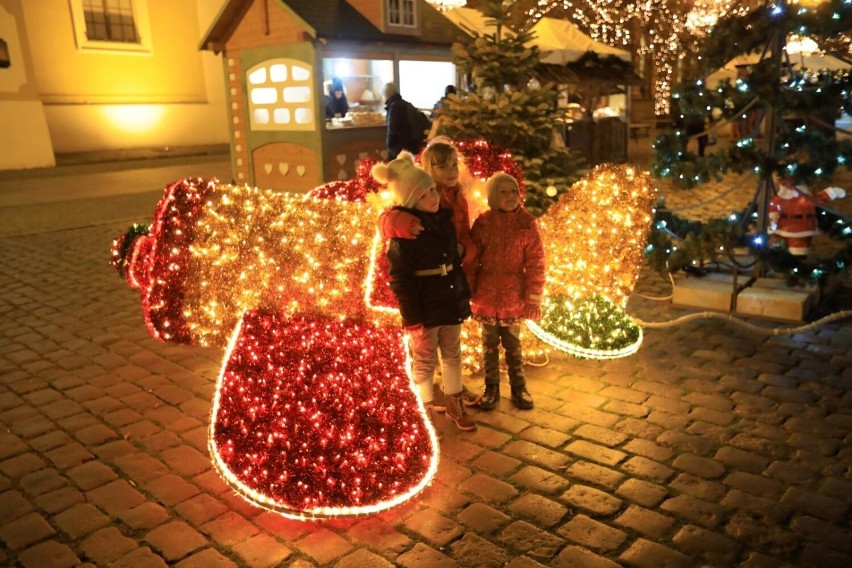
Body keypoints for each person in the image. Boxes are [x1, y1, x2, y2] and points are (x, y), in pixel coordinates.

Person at [371, 152, 477, 432]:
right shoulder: (404, 234)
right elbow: (401, 280)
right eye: (425, 193)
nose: (433, 196)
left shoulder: (443, 219)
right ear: (410, 201)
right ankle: (424, 409)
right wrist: (413, 318)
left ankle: (455, 403)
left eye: (432, 189)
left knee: (453, 352)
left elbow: (453, 262)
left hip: (449, 298)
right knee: (425, 358)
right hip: (426, 305)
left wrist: (462, 295)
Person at [469, 172, 545, 411]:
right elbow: (472, 258)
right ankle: (491, 387)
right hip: (487, 295)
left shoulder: (526, 223)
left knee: (513, 343)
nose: (510, 196)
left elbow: (536, 262)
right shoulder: (483, 223)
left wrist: (533, 299)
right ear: (493, 196)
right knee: (489, 343)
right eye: (503, 192)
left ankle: (519, 387)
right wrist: (469, 290)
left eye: (513, 191)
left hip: (513, 296)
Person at [768, 174, 846, 256]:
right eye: (783, 182)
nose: (785, 184)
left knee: (794, 249)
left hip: (797, 228)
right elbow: (817, 199)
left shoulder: (802, 199)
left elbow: (816, 199)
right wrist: (832, 192)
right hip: (786, 228)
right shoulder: (781, 199)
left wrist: (830, 193)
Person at [382, 82, 422, 159]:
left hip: (400, 147)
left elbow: (392, 130)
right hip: (412, 144)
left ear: (386, 95)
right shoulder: (405, 104)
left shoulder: (394, 107)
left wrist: (389, 146)